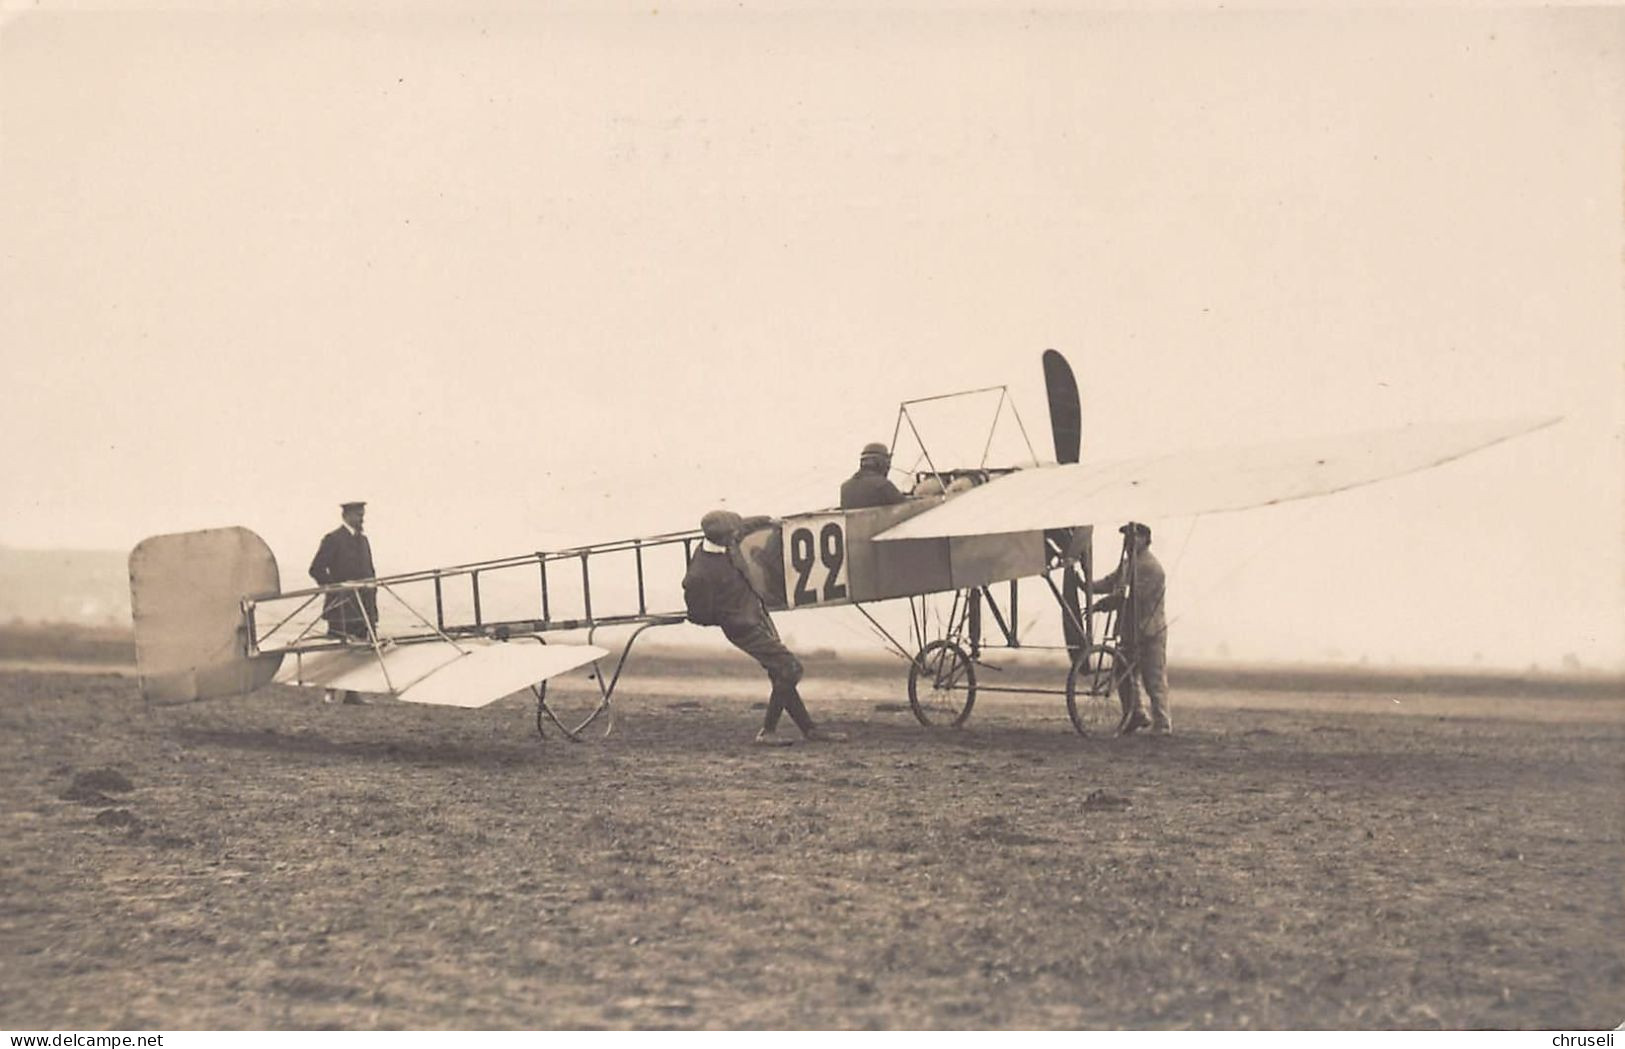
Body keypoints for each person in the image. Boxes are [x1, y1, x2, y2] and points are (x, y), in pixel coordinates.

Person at [683, 509, 847, 746]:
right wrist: (729, 616)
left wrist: (769, 521)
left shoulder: (726, 539)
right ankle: (767, 732)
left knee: (781, 674)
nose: (737, 535)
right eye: (733, 533)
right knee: (791, 669)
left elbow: (745, 526)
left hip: (758, 614)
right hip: (743, 628)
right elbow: (699, 615)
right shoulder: (700, 574)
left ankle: (809, 730)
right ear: (723, 538)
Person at [1087, 522, 1171, 736]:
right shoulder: (1128, 564)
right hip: (1129, 629)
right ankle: (1135, 715)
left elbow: (1133, 597)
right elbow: (1110, 582)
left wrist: (1104, 604)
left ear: (1146, 539)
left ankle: (1162, 723)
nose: (1128, 541)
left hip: (1149, 630)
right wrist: (1085, 585)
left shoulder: (1151, 567)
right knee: (1123, 673)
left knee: (1153, 677)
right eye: (1126, 537)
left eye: (1133, 537)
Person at [308, 501, 378, 704]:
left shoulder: (363, 541)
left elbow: (370, 572)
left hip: (363, 605)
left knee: (359, 650)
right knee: (337, 648)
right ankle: (329, 691)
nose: (362, 519)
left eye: (362, 514)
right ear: (346, 516)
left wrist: (372, 602)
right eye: (358, 515)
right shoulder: (333, 539)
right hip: (341, 606)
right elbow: (316, 569)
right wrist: (336, 589)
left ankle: (352, 693)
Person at [839, 442, 906, 509]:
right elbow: (905, 506)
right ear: (881, 462)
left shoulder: (845, 487)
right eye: (887, 462)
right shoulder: (883, 485)